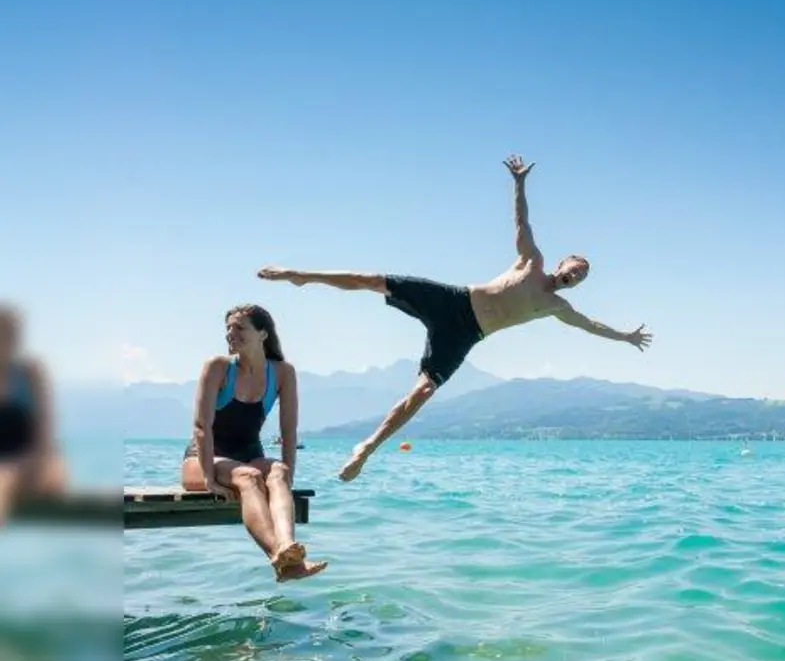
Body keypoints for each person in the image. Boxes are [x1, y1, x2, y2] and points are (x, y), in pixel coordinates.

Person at [258, 153, 653, 482]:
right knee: (374, 279)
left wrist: (626, 337)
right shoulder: (532, 262)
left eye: (580, 277)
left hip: (466, 335)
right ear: (563, 262)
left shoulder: (557, 308)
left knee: (423, 393)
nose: (573, 276)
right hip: (453, 301)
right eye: (574, 268)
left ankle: (366, 448)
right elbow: (522, 222)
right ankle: (301, 276)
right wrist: (518, 183)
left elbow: (592, 326)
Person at [182, 304, 326, 582]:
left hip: (248, 453)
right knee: (247, 477)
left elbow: (289, 430)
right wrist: (210, 479)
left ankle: (287, 547)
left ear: (263, 334)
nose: (230, 334)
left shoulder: (283, 373)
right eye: (227, 328)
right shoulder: (218, 367)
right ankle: (281, 558)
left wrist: (287, 478)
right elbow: (201, 427)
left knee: (278, 471)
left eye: (239, 328)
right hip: (202, 457)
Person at [0, 304, 69, 525]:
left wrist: (31, 465)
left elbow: (44, 431)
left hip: (33, 462)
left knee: (5, 478)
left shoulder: (30, 373)